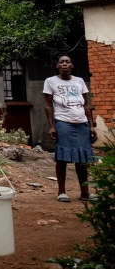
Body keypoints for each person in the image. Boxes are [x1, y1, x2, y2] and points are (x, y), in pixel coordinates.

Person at [43, 56, 98, 202]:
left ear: (72, 65)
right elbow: (48, 105)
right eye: (62, 62)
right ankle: (62, 192)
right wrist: (51, 126)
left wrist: (91, 126)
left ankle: (85, 193)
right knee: (62, 157)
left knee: (83, 158)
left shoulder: (79, 81)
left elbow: (86, 105)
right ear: (57, 66)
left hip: (82, 123)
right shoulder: (51, 81)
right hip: (63, 123)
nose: (65, 64)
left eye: (67, 62)